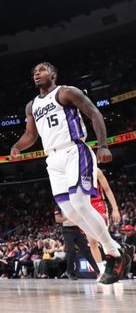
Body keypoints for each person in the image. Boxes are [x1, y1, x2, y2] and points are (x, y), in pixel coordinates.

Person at [10, 61, 133, 284]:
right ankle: (117, 248)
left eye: (42, 70)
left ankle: (113, 253)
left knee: (80, 203)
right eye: (34, 72)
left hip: (73, 149)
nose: (37, 74)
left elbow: (94, 113)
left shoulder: (66, 92)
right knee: (70, 212)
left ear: (53, 74)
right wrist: (17, 146)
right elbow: (31, 135)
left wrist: (103, 144)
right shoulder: (32, 106)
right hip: (53, 158)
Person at [87, 168, 121, 278]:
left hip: (98, 205)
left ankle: (118, 263)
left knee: (103, 238)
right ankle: (101, 271)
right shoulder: (73, 170)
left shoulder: (95, 170)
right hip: (84, 207)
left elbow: (107, 189)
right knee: (92, 241)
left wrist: (115, 209)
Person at [54, 207, 98, 280]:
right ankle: (69, 272)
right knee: (72, 251)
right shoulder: (59, 205)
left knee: (86, 250)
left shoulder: (74, 202)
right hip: (66, 230)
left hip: (77, 229)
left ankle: (98, 271)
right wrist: (68, 218)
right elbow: (57, 219)